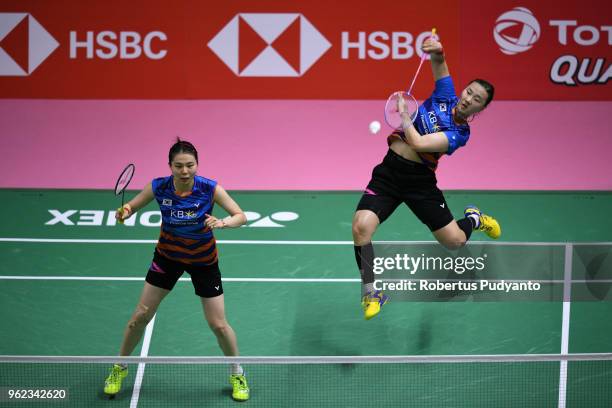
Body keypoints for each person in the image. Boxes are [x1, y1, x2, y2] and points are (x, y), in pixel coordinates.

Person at [353, 35, 501, 320]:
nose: (469, 99)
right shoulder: (446, 95)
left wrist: (405, 116)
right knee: (361, 227)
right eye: (469, 92)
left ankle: (474, 219)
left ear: (480, 109)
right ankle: (370, 293)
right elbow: (439, 61)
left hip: (419, 183)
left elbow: (419, 144)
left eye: (477, 100)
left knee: (454, 242)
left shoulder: (460, 135)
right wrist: (437, 48)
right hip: (390, 172)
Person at [103, 139, 250, 402]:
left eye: (190, 165)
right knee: (140, 316)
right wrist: (125, 211)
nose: (185, 171)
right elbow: (133, 205)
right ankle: (119, 367)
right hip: (167, 258)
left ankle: (237, 372)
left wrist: (223, 222)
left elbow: (241, 215)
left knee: (218, 324)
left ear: (197, 165)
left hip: (203, 261)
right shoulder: (159, 187)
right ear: (170, 166)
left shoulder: (209, 188)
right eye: (179, 166)